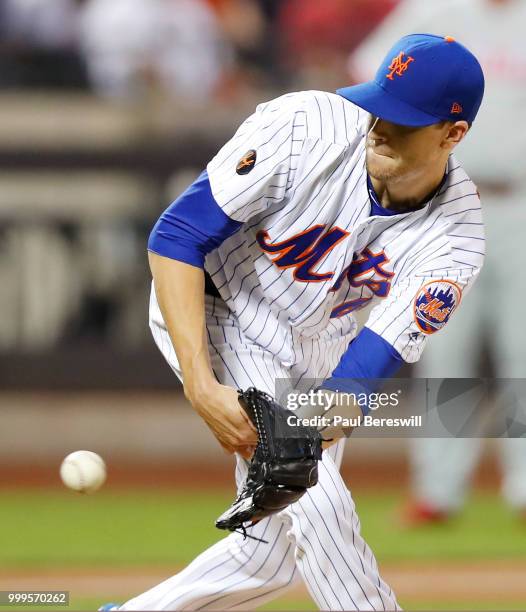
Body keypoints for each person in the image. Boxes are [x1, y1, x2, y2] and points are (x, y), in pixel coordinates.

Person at [106, 33, 485, 611]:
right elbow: (177, 236)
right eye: (379, 106)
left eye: (404, 120)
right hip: (222, 305)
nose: (381, 126)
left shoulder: (455, 238)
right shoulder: (304, 126)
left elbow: (358, 377)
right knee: (322, 505)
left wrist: (305, 436)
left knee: (268, 558)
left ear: (453, 134)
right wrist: (202, 385)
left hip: (319, 353)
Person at [349, 0, 526, 524]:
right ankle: (439, 492)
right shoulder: (433, 11)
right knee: (444, 350)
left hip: (522, 199)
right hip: (446, 204)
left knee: (525, 352)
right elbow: (371, 74)